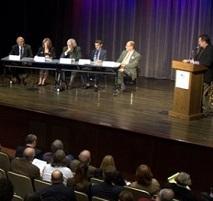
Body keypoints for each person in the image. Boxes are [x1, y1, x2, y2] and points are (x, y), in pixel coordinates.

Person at [194, 34, 213, 114]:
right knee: (200, 93)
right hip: (199, 75)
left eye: (199, 41)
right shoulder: (201, 49)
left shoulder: (211, 49)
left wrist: (197, 62)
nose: (199, 43)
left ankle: (207, 111)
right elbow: (196, 59)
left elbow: (208, 62)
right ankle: (201, 109)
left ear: (204, 41)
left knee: (205, 94)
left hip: (207, 75)